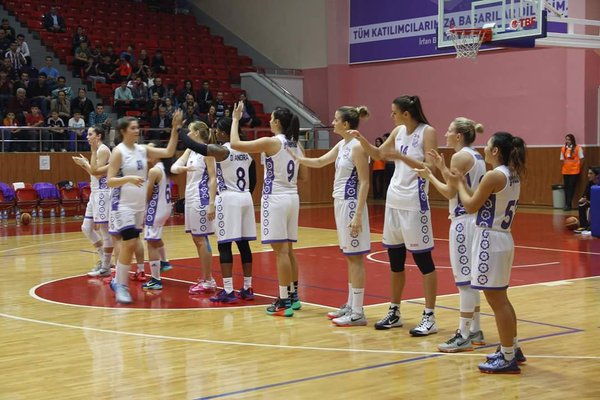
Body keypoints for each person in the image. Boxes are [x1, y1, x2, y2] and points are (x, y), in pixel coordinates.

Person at [352, 95, 439, 336]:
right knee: (395, 261)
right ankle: (395, 311)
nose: (391, 116)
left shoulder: (427, 132)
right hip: (394, 201)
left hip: (415, 203)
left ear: (406, 114)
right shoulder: (398, 131)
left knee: (423, 262)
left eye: (394, 112)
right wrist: (361, 140)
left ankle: (429, 316)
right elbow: (379, 154)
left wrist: (401, 157)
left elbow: (430, 168)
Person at [444, 131, 527, 374]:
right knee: (502, 299)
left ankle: (508, 357)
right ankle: (513, 347)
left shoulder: (494, 175)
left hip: (490, 239)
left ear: (496, 151)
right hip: (503, 238)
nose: (484, 150)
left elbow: (470, 205)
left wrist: (460, 183)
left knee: (497, 302)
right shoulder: (512, 173)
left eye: (488, 146)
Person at [415, 118, 487, 352]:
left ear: (458, 136)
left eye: (449, 131)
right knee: (471, 282)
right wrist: (442, 168)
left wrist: (430, 176)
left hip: (463, 221)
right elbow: (457, 184)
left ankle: (463, 334)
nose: (445, 134)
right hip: (474, 221)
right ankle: (475, 330)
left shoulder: (460, 157)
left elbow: (448, 192)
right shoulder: (475, 156)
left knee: (464, 283)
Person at [294, 106, 371, 325]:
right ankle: (351, 304)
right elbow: (320, 162)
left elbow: (365, 182)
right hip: (340, 202)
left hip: (351, 204)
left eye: (336, 120)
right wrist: (297, 158)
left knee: (355, 258)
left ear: (346, 124)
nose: (333, 122)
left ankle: (358, 312)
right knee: (349, 256)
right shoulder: (342, 144)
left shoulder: (358, 146)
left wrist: (357, 214)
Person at [230, 103, 305, 317]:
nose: (269, 121)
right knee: (289, 250)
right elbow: (303, 176)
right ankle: (293, 296)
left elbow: (235, 144)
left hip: (275, 198)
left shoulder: (271, 142)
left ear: (277, 122)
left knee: (280, 252)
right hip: (293, 197)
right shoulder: (297, 144)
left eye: (271, 118)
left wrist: (235, 119)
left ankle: (283, 301)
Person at [179, 117, 256, 304]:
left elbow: (195, 146)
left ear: (223, 132)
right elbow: (253, 179)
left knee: (224, 245)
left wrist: (179, 129)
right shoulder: (247, 153)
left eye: (218, 130)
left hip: (228, 198)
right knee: (244, 244)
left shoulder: (223, 150)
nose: (216, 133)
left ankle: (228, 290)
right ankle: (247, 287)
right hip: (246, 197)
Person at [106, 110, 180, 304]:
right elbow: (110, 180)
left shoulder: (142, 149)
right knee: (129, 242)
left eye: (137, 127)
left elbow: (169, 152)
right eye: (133, 128)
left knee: (131, 244)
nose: (137, 130)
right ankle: (121, 285)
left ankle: (117, 281)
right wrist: (128, 178)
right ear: (123, 131)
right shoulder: (118, 152)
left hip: (139, 206)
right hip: (123, 205)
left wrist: (174, 129)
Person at [171, 122, 219, 294]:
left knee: (201, 239)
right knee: (196, 239)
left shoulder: (208, 151)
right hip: (190, 198)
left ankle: (208, 280)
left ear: (197, 133)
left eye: (190, 131)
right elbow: (174, 168)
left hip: (202, 199)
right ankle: (206, 277)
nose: (188, 134)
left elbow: (213, 178)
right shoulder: (190, 150)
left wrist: (211, 204)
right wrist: (184, 167)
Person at [71, 125, 114, 277]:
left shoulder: (102, 150)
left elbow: (97, 174)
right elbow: (93, 173)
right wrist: (84, 165)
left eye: (90, 134)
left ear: (99, 136)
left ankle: (106, 266)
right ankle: (104, 260)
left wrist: (84, 164)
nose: (87, 137)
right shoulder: (96, 150)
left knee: (104, 231)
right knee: (86, 228)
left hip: (102, 193)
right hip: (94, 192)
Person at [141, 141, 175, 290]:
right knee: (155, 238)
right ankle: (165, 261)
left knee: (150, 243)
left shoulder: (154, 171)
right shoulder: (164, 168)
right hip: (165, 209)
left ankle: (155, 279)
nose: (148, 154)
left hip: (155, 210)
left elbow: (148, 194)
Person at [560, 134, 584, 211]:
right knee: (566, 188)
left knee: (571, 187)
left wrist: (579, 168)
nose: (567, 141)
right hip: (565, 171)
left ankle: (568, 204)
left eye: (569, 139)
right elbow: (562, 160)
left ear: (572, 140)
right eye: (566, 139)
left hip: (574, 171)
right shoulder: (563, 148)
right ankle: (567, 204)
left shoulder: (578, 148)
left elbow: (582, 159)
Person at [575, 166, 600, 234]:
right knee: (581, 204)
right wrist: (583, 199)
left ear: (597, 175)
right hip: (592, 202)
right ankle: (584, 225)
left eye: (591, 173)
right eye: (588, 173)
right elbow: (585, 195)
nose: (588, 175)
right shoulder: (589, 184)